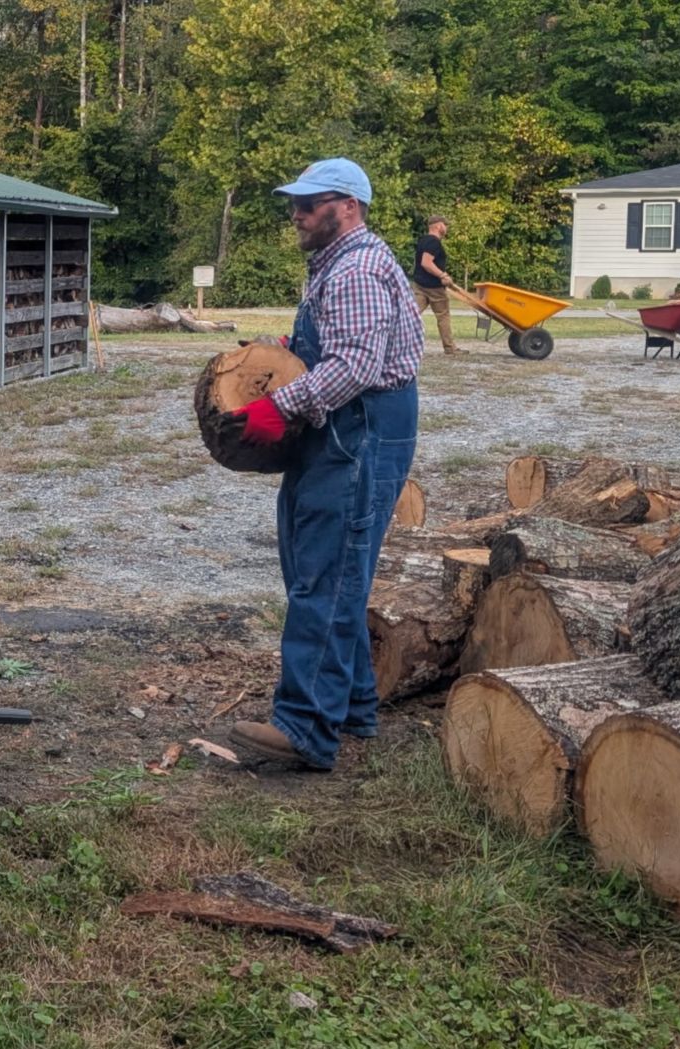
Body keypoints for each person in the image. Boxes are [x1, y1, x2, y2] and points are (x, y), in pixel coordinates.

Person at [224, 158, 424, 771]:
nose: (298, 212)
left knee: (326, 576)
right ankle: (355, 704)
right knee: (330, 568)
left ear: (349, 207)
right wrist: (289, 353)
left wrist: (279, 405)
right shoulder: (338, 264)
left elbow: (356, 366)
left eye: (311, 203)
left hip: (359, 428)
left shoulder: (356, 268)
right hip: (346, 426)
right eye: (296, 202)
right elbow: (341, 348)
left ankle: (306, 727)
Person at [412, 215, 461, 355]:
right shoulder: (434, 242)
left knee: (410, 314)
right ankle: (450, 348)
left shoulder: (423, 240)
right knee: (443, 316)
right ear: (439, 226)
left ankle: (393, 342)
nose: (447, 228)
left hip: (419, 284)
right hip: (434, 288)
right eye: (446, 225)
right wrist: (443, 275)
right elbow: (426, 263)